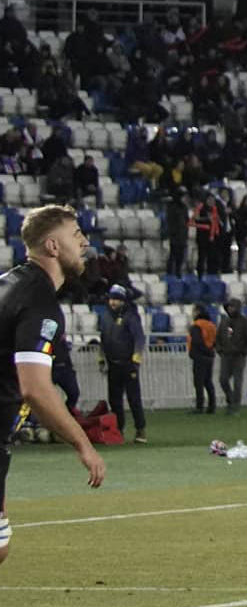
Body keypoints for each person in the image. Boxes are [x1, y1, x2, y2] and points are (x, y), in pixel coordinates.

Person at [0, 205, 108, 566]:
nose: (84, 242)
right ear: (52, 246)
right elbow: (36, 388)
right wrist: (83, 444)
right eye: (75, 235)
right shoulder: (39, 301)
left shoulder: (10, 284)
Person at [99, 284, 148, 443]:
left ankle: (140, 430)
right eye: (112, 299)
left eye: (117, 300)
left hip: (128, 364)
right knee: (114, 400)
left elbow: (139, 338)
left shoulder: (131, 316)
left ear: (123, 301)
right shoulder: (105, 316)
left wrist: (136, 359)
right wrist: (101, 358)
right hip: (112, 364)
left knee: (134, 399)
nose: (113, 302)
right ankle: (118, 430)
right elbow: (103, 338)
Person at [216, 296, 247, 414]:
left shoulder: (245, 322)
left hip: (239, 356)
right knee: (223, 380)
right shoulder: (224, 322)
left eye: (233, 307)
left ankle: (235, 406)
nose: (230, 309)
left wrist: (244, 351)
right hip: (225, 355)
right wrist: (220, 350)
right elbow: (218, 338)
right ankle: (230, 399)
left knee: (237, 382)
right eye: (229, 307)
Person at [189, 302, 219, 413]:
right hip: (209, 356)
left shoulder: (197, 325)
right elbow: (215, 341)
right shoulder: (211, 325)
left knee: (199, 382)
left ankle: (199, 406)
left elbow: (197, 341)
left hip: (200, 356)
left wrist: (196, 352)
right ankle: (212, 406)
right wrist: (210, 351)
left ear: (197, 312)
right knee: (208, 382)